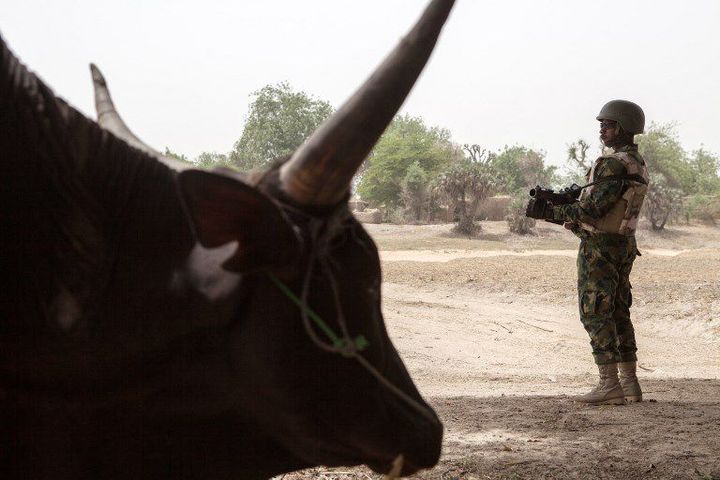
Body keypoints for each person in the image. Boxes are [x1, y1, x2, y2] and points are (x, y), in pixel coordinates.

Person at [551, 100, 649, 405]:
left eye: (606, 125)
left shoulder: (612, 163)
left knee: (594, 311)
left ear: (620, 127)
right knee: (619, 311)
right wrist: (575, 222)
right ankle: (629, 384)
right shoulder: (637, 163)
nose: (602, 131)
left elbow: (591, 209)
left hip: (600, 250)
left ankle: (608, 384)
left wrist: (553, 211)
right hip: (623, 245)